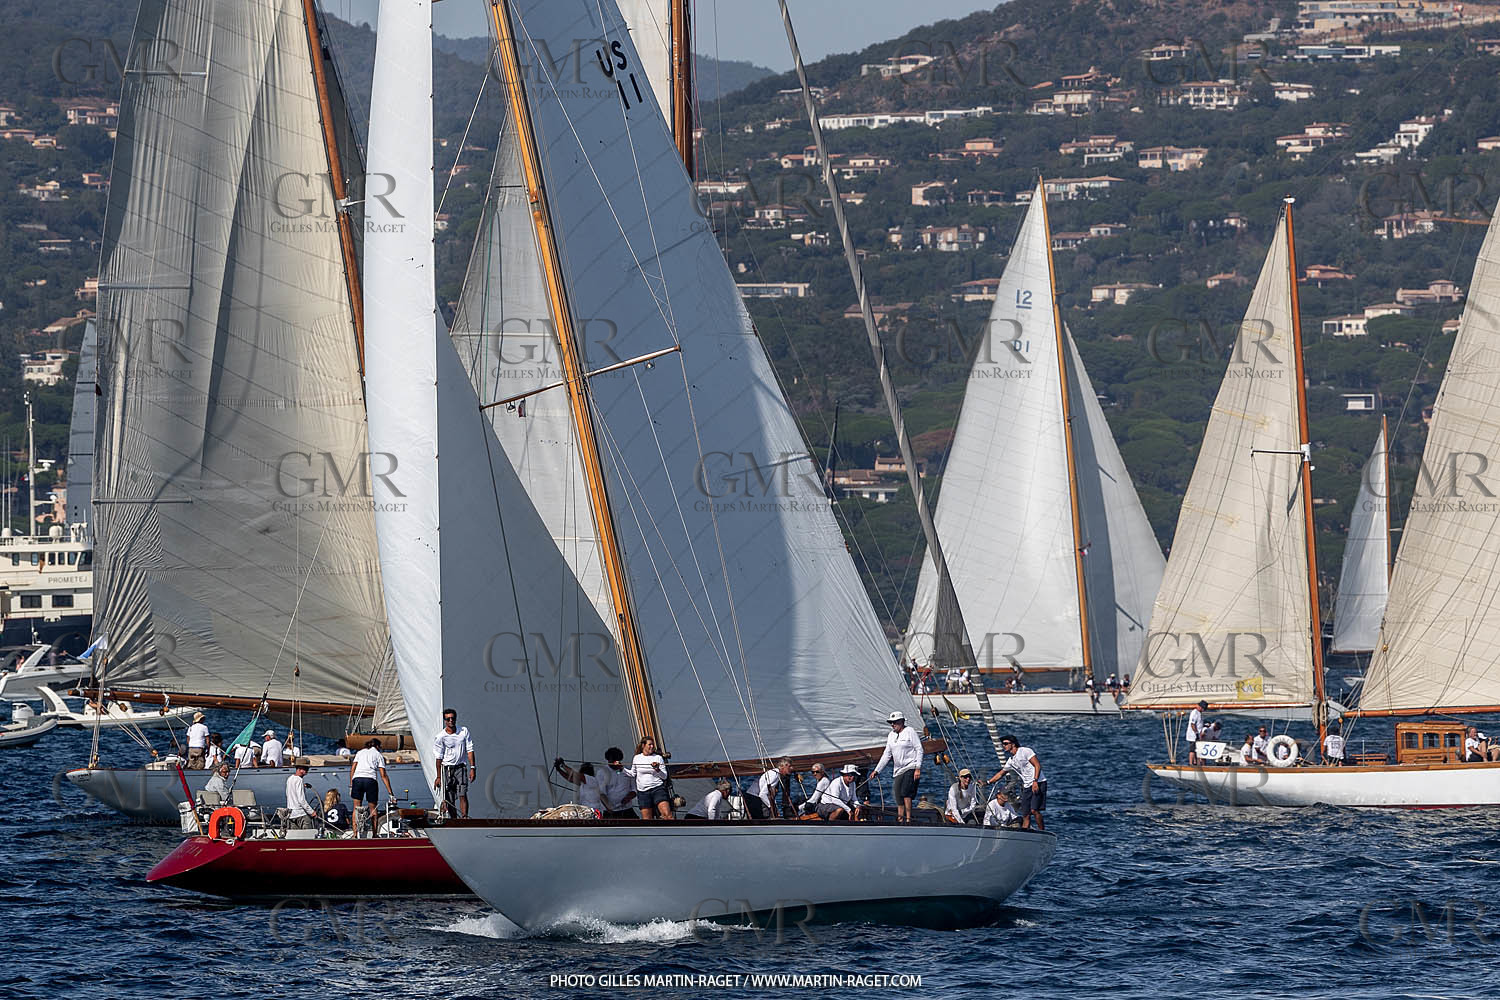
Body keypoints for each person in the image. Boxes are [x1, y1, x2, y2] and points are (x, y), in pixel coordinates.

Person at [872, 711, 923, 823]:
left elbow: (919, 749)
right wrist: (877, 770)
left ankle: (908, 818)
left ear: (902, 722)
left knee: (906, 792)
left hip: (910, 766)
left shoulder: (910, 731)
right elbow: (887, 754)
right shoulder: (891, 735)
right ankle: (900, 818)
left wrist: (917, 768)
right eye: (891, 722)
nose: (893, 725)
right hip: (898, 770)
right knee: (898, 795)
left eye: (895, 722)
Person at [988, 735, 1044, 831]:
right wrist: (988, 782)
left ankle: (1042, 831)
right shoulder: (1011, 761)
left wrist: (1035, 781)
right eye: (1003, 744)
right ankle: (1024, 833)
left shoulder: (1025, 751)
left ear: (1013, 744)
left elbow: (1037, 765)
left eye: (1005, 744)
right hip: (1027, 786)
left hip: (1038, 782)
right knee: (1025, 814)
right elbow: (1001, 774)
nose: (1004, 746)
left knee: (1034, 810)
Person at [432, 708, 476, 819]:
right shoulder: (441, 737)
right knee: (449, 797)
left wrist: (473, 768)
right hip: (447, 769)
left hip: (460, 768)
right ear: (445, 721)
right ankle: (454, 819)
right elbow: (438, 758)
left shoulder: (463, 731)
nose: (451, 721)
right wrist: (438, 777)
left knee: (462, 793)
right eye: (448, 719)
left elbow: (470, 750)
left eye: (453, 718)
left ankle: (464, 818)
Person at [349, 738, 394, 836]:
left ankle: (355, 834)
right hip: (370, 780)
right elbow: (383, 775)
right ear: (377, 746)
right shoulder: (378, 755)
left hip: (357, 779)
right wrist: (391, 793)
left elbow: (353, 769)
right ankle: (374, 834)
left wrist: (351, 785)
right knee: (373, 809)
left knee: (356, 808)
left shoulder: (360, 752)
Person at [624, 736, 672, 820]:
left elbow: (664, 776)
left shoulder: (658, 758)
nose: (652, 746)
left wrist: (657, 769)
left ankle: (672, 831)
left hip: (657, 789)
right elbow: (632, 774)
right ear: (643, 746)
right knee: (647, 819)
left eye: (653, 745)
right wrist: (621, 769)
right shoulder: (637, 758)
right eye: (650, 745)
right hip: (643, 792)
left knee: (667, 815)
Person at [599, 747, 637, 819]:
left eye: (617, 760)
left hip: (627, 809)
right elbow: (601, 793)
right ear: (608, 760)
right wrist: (609, 808)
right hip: (610, 811)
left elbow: (634, 789)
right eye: (612, 761)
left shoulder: (627, 771)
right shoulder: (602, 772)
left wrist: (628, 798)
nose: (615, 763)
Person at [285, 762, 318, 829]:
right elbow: (301, 800)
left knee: (295, 836)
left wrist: (303, 786)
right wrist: (311, 812)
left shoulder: (290, 779)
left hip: (291, 814)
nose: (307, 772)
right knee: (308, 835)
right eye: (306, 769)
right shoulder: (299, 780)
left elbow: (289, 793)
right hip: (300, 814)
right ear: (300, 769)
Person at [1185, 701, 1207, 765]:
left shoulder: (1199, 713)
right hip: (1193, 735)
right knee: (1192, 750)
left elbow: (1199, 723)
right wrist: (1196, 733)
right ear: (1200, 707)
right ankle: (1191, 764)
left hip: (1198, 735)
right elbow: (1192, 724)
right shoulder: (1195, 713)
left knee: (1197, 749)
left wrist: (1205, 725)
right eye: (1203, 708)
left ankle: (1195, 762)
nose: (1204, 710)